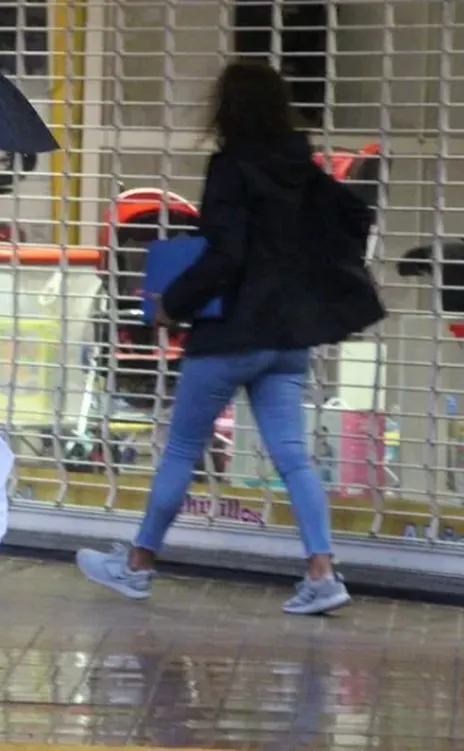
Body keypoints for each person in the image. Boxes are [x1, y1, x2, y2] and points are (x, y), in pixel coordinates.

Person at [75, 61, 355, 616]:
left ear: (229, 109)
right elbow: (347, 221)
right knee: (294, 459)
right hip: (288, 338)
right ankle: (322, 573)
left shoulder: (231, 168)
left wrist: (172, 305)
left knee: (180, 450)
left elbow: (225, 253)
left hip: (231, 335)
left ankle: (137, 566)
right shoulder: (303, 169)